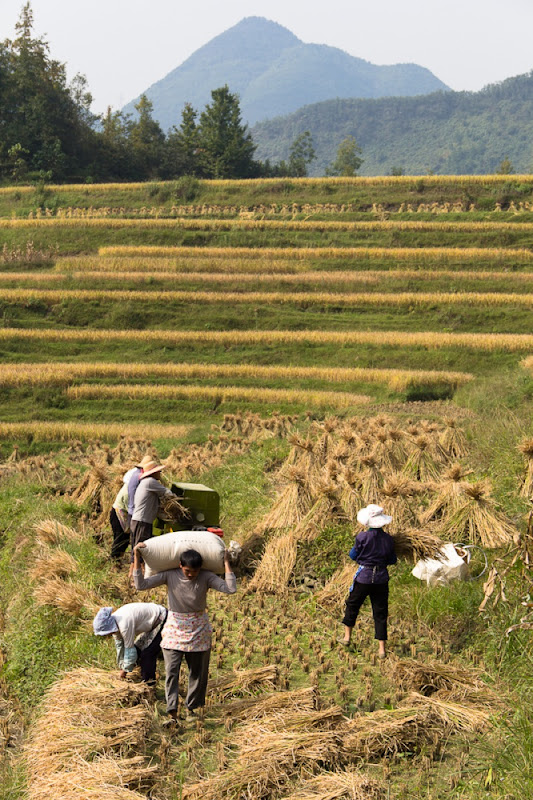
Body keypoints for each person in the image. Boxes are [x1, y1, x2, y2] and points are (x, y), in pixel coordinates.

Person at [133, 543, 236, 722]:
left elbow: (230, 588)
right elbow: (140, 585)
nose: (191, 575)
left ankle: (192, 709)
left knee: (197, 672)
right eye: (187, 571)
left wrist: (226, 562)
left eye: (194, 572)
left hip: (199, 628)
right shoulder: (169, 575)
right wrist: (137, 557)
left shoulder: (206, 577)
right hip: (175, 627)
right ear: (180, 566)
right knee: (171, 671)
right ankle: (172, 710)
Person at [340, 504, 397, 659]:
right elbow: (393, 560)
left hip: (364, 577)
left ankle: (347, 637)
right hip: (381, 579)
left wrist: (362, 558)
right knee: (380, 612)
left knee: (353, 604)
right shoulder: (389, 540)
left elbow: (353, 555)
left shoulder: (362, 537)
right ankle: (381, 649)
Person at [93, 602, 167, 685]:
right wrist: (122, 666)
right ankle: (140, 675)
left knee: (147, 654)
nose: (107, 636)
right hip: (150, 623)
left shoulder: (124, 624)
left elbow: (129, 649)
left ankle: (148, 684)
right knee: (138, 649)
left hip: (160, 618)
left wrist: (124, 671)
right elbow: (120, 646)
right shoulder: (114, 623)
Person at [129, 460, 173, 568]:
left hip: (137, 520)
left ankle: (132, 575)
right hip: (143, 521)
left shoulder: (145, 482)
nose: (160, 473)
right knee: (140, 549)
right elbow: (168, 493)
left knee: (136, 549)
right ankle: (138, 576)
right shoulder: (150, 482)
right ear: (153, 473)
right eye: (158, 471)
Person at [110, 467, 136, 563]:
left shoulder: (130, 488)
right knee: (120, 539)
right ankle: (114, 562)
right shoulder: (128, 492)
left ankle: (118, 560)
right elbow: (131, 509)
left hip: (123, 514)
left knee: (124, 540)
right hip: (119, 516)